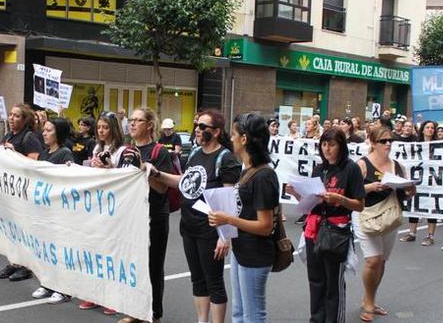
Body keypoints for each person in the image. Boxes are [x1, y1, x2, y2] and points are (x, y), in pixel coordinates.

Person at [149, 109, 241, 323]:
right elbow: (183, 183)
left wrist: (224, 236)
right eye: (196, 125)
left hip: (211, 229)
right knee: (197, 280)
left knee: (214, 281)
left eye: (202, 127)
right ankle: (202, 320)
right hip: (189, 226)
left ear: (216, 131)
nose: (197, 130)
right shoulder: (194, 154)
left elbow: (229, 200)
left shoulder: (225, 158)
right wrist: (156, 174)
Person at [288, 128, 365, 323]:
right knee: (316, 280)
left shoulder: (351, 169)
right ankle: (316, 319)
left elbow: (360, 205)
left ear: (341, 146)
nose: (327, 149)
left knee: (333, 283)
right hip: (314, 228)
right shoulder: (319, 169)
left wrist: (340, 199)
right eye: (324, 144)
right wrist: (296, 193)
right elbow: (309, 203)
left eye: (331, 145)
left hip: (336, 231)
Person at [208, 113, 278, 323]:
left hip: (255, 254)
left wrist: (228, 220)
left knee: (253, 315)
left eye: (235, 134)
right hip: (243, 250)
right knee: (240, 313)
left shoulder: (264, 176)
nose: (231, 139)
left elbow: (265, 226)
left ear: (245, 139)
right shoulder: (249, 170)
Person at [117, 108, 174, 323]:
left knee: (153, 265)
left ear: (149, 125)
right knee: (134, 264)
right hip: (132, 216)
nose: (132, 124)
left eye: (138, 120)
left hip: (155, 215)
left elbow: (162, 189)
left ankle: (154, 313)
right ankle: (135, 311)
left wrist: (143, 169)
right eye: (131, 120)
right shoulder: (126, 150)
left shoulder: (160, 151)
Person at [355, 126, 415, 322]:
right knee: (373, 260)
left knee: (381, 261)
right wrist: (370, 187)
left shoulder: (398, 166)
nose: (388, 144)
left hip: (390, 217)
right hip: (366, 214)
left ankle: (368, 298)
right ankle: (369, 302)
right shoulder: (362, 165)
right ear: (372, 143)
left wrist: (410, 187)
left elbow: (408, 193)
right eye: (383, 141)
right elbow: (349, 191)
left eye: (390, 141)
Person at [78, 111, 127, 315]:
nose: (101, 131)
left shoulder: (122, 150)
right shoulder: (97, 147)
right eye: (99, 127)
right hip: (96, 204)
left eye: (105, 127)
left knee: (110, 253)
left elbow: (123, 175)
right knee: (94, 249)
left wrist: (108, 167)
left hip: (112, 204)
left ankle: (112, 298)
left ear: (113, 129)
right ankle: (95, 294)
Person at [0, 104, 43, 282]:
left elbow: (34, 163)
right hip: (9, 190)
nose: (11, 118)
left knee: (23, 229)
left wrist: (15, 154)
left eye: (16, 116)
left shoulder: (29, 137)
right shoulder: (8, 135)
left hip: (23, 191)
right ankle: (14, 262)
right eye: (10, 115)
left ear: (24, 120)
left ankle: (26, 266)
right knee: (12, 229)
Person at [31, 118, 75, 304]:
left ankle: (63, 288)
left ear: (58, 133)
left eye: (49, 130)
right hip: (44, 210)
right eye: (44, 129)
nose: (44, 133)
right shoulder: (44, 153)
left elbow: (69, 179)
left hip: (58, 211)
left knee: (58, 249)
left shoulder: (65, 154)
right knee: (45, 248)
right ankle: (48, 283)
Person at [400, 121, 439, 245]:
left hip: (433, 181)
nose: (430, 130)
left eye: (432, 128)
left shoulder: (439, 145)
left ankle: (430, 235)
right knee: (414, 205)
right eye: (427, 127)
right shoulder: (416, 145)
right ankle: (412, 233)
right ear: (422, 130)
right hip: (418, 180)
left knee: (431, 207)